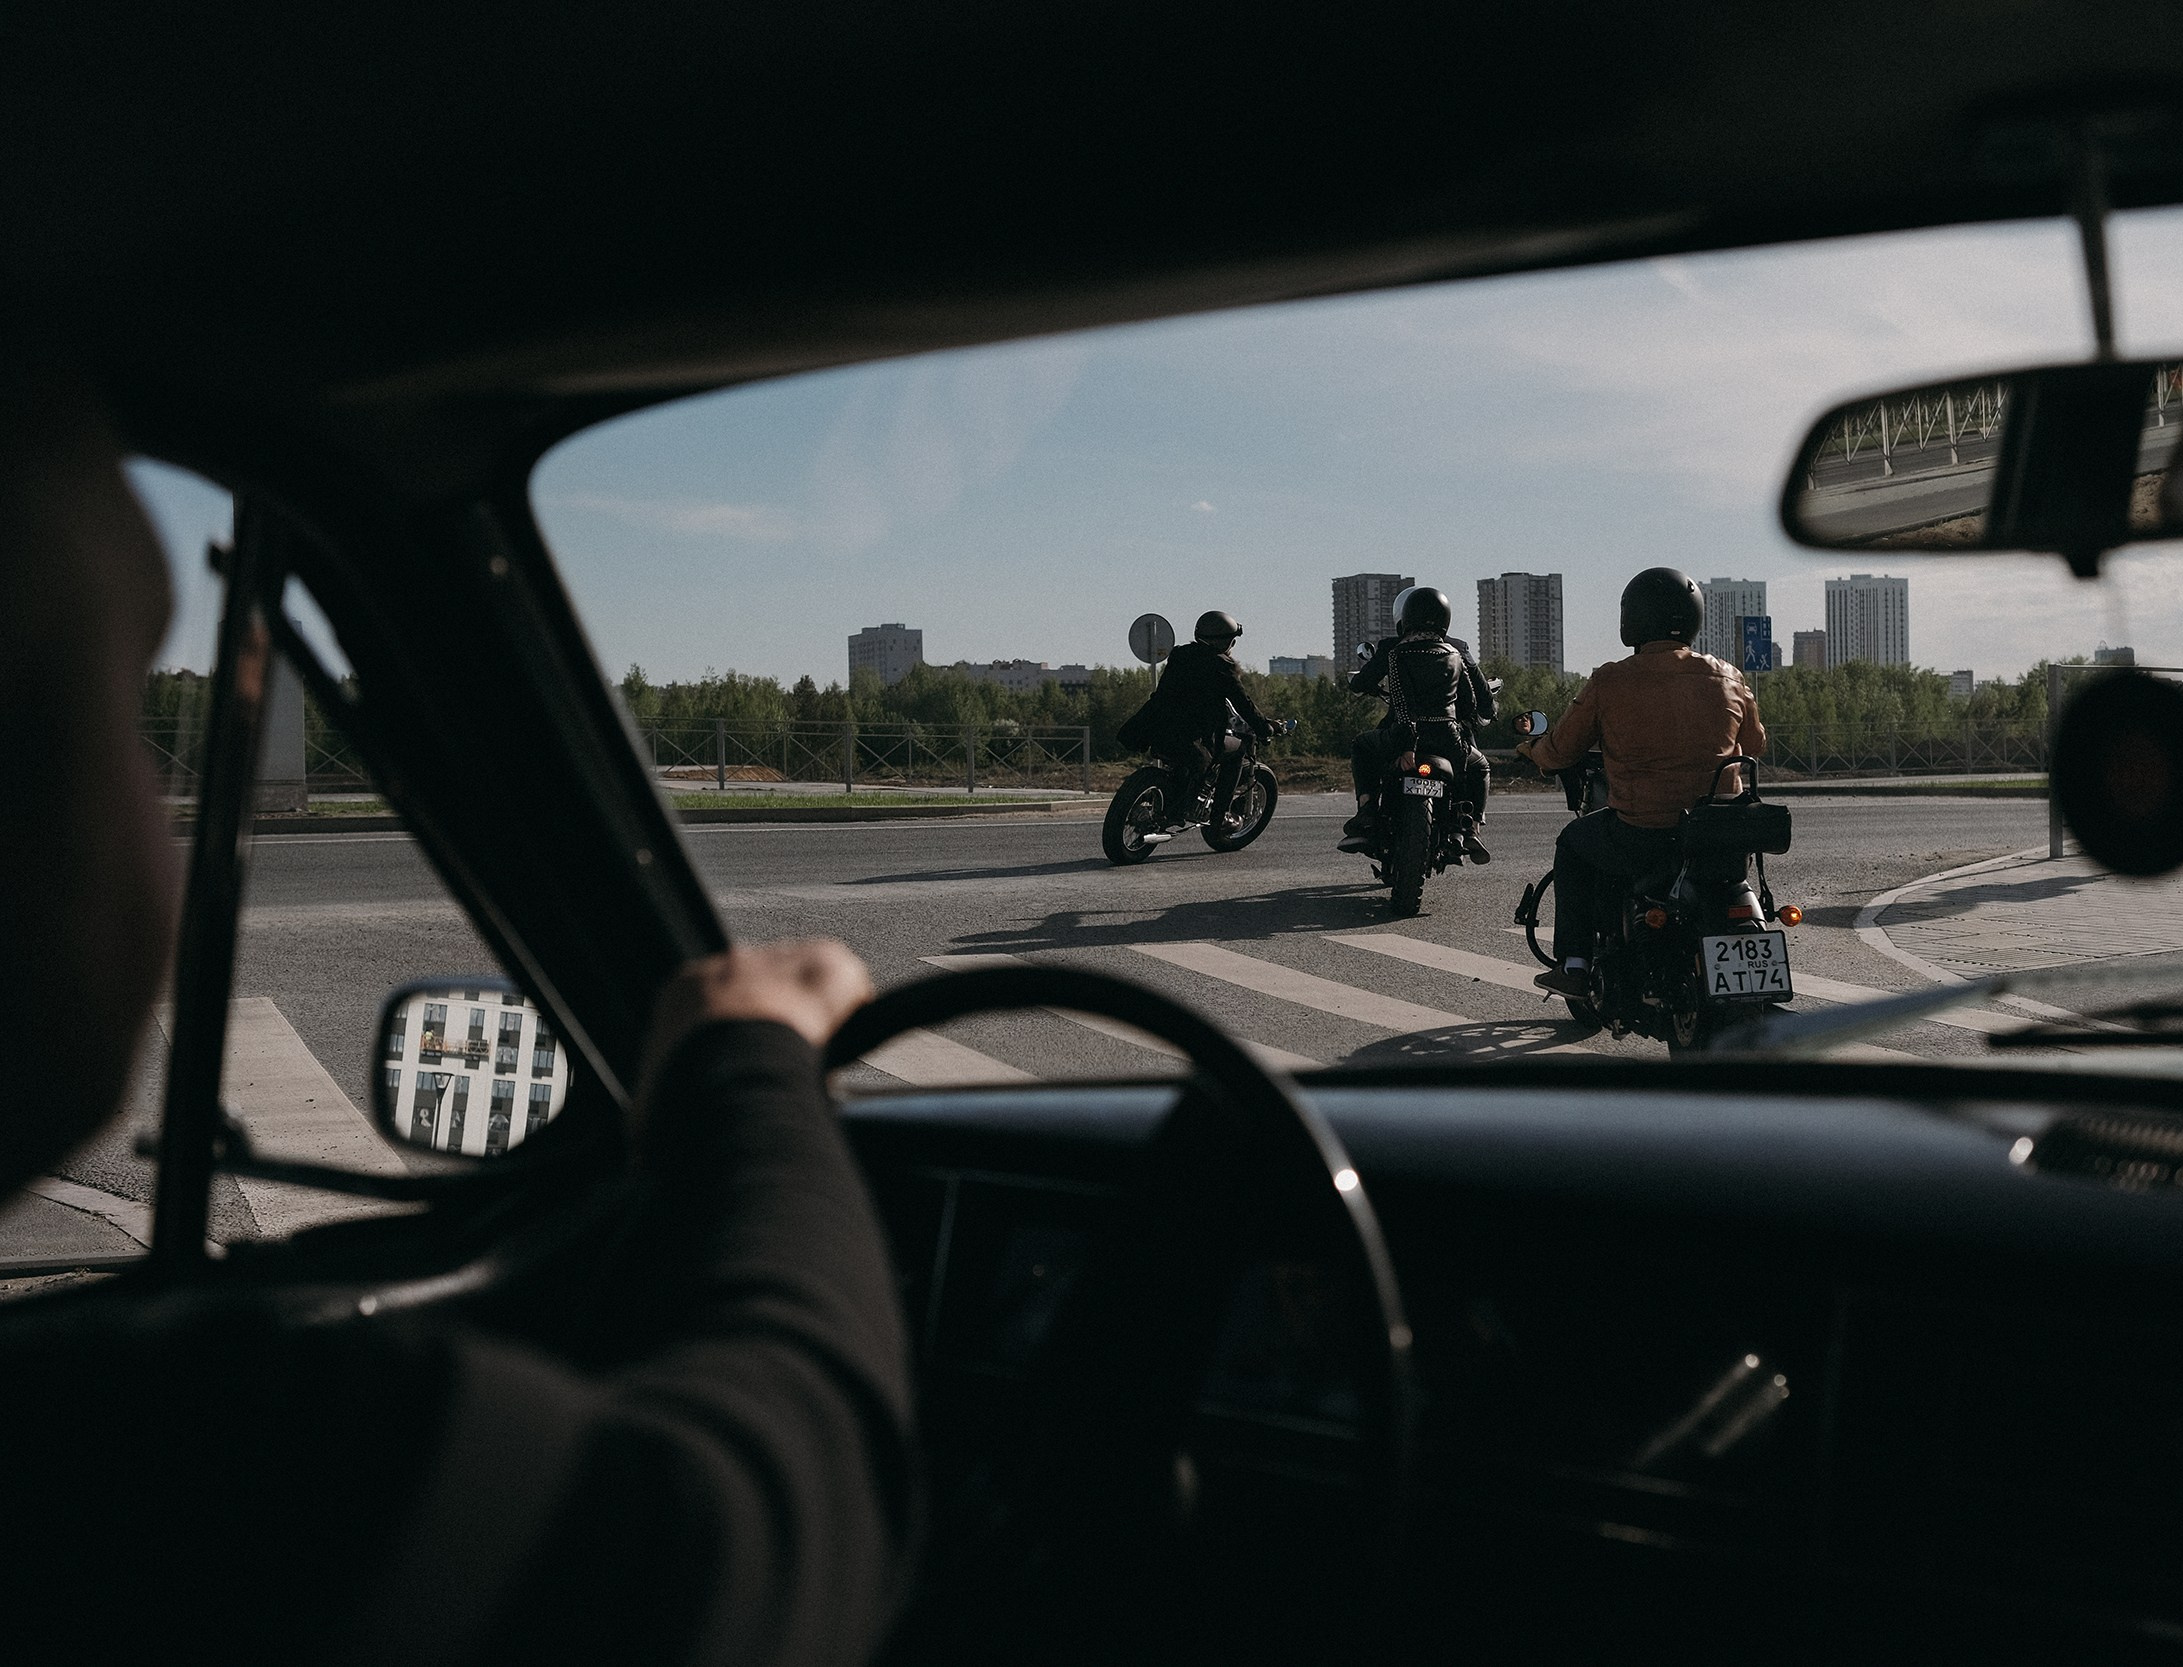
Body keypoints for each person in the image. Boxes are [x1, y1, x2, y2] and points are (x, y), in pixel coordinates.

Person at [0, 371, 913, 1666]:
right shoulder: (167, 1468)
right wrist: (750, 1059)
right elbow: (749, 1530)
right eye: (123, 710)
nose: (159, 785)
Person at [1517, 567, 1767, 1002]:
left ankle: (1574, 965)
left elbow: (1560, 751)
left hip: (1643, 833)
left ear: (1631, 618)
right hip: (1719, 834)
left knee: (1573, 843)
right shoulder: (1729, 676)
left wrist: (1532, 750)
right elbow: (1755, 745)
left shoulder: (1611, 679)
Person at [1337, 586, 1495, 863]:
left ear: (1405, 617)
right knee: (1478, 765)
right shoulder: (1457, 652)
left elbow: (1381, 692)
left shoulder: (1394, 650)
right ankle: (1470, 825)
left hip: (1402, 734)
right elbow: (1478, 701)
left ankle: (1368, 810)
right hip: (1447, 736)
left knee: (1363, 747)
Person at [1126, 610, 1277, 829]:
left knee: (1191, 759)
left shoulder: (1179, 655)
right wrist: (1264, 728)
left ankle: (1180, 797)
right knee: (1238, 749)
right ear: (1226, 642)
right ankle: (1220, 815)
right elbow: (1243, 703)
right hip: (1192, 736)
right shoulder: (1221, 666)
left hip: (1157, 728)